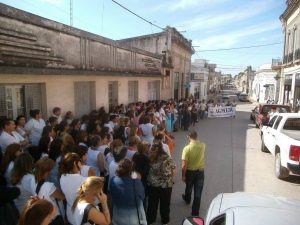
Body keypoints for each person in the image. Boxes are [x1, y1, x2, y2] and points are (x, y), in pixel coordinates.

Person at [109, 158, 147, 225]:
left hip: (116, 217)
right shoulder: (136, 182)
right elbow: (142, 197)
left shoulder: (113, 180)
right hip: (132, 220)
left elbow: (111, 196)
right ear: (131, 171)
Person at [147, 142, 175, 225]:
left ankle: (151, 219)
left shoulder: (150, 157)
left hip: (153, 185)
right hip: (166, 186)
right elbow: (173, 171)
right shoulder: (168, 158)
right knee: (165, 204)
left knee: (152, 204)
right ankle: (165, 220)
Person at [33, 158, 65, 225]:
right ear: (47, 171)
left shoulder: (33, 182)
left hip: (44, 217)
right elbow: (62, 197)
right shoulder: (48, 186)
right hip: (54, 217)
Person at [181, 130, 205, 216]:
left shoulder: (186, 149)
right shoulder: (203, 145)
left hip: (190, 172)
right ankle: (195, 213)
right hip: (200, 172)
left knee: (188, 187)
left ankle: (187, 199)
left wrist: (183, 175)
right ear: (196, 137)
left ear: (189, 137)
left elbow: (184, 165)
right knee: (198, 193)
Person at [60, 152, 86, 225]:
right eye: (80, 162)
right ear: (75, 163)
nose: (81, 163)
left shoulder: (62, 177)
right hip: (81, 216)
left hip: (70, 214)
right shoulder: (83, 180)